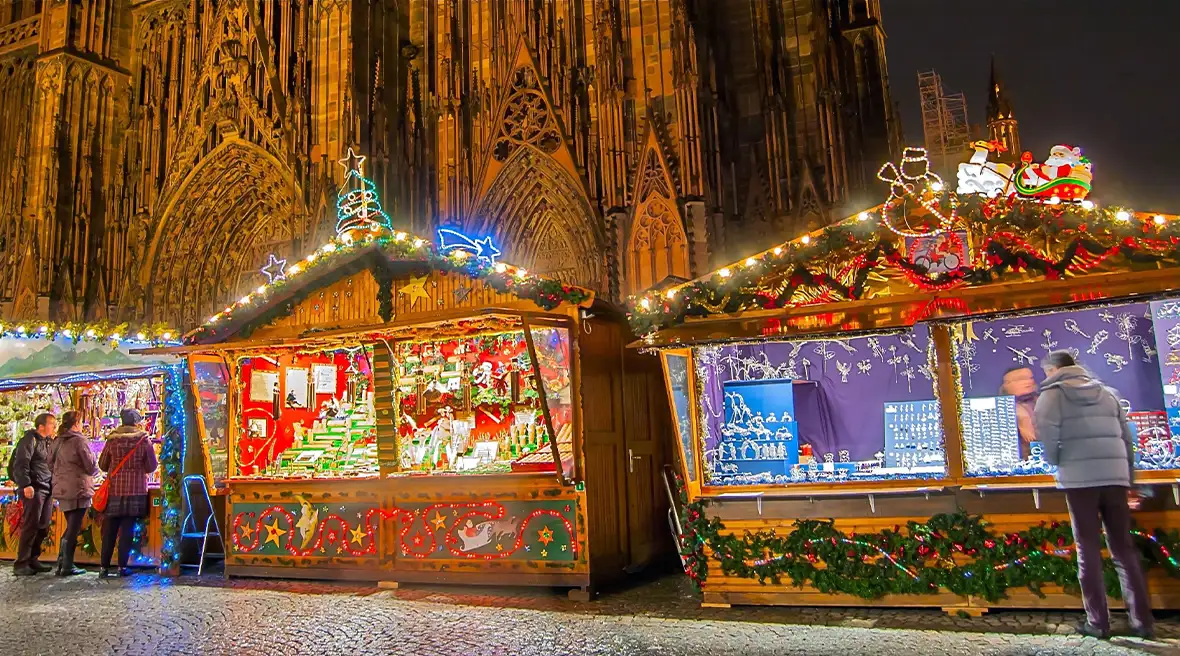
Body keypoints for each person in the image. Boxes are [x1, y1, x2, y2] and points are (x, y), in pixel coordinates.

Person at [1033, 350, 1153, 639]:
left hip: (1079, 481)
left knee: (1087, 550)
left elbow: (1047, 439)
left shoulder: (1051, 397)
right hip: (1116, 479)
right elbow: (1127, 439)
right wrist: (1129, 478)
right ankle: (1142, 622)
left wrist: (1057, 461)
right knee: (1124, 549)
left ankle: (1098, 623)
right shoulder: (1109, 394)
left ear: (1052, 370)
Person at [97, 409, 158, 578]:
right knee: (127, 530)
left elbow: (102, 464)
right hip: (135, 490)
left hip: (115, 490)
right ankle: (122, 567)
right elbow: (152, 466)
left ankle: (103, 567)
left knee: (110, 530)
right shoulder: (143, 440)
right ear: (136, 422)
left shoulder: (112, 440)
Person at [50, 410, 98, 576]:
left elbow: (50, 463)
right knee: (74, 527)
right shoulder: (79, 441)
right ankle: (67, 565)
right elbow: (91, 466)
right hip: (78, 488)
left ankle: (62, 562)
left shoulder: (57, 441)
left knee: (71, 525)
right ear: (76, 423)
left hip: (62, 488)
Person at [10, 413, 56, 576]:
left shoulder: (49, 442)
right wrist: (26, 484)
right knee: (31, 524)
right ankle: (22, 562)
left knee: (43, 525)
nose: (54, 426)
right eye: (51, 423)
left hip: (47, 487)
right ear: (41, 426)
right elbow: (21, 463)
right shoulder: (30, 440)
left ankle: (33, 558)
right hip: (34, 488)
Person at [1000, 366, 1039, 459]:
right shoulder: (1001, 408)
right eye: (1022, 379)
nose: (1029, 382)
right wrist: (1020, 417)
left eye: (1030, 378)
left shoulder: (1044, 401)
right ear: (1007, 384)